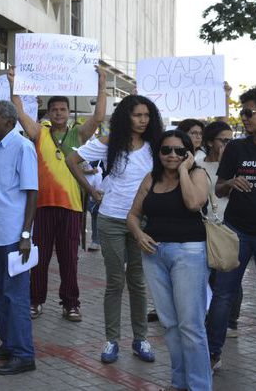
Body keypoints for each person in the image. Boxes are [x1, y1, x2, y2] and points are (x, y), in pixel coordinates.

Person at [67, 94, 163, 364]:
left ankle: (140, 339)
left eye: (146, 115)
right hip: (110, 219)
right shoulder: (110, 143)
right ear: (126, 117)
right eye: (137, 115)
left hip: (142, 222)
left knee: (137, 282)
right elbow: (71, 160)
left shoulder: (156, 145)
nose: (143, 120)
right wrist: (92, 192)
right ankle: (111, 341)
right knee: (115, 282)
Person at [9, 66, 107, 322]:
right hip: (42, 206)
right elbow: (19, 113)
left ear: (69, 112)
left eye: (63, 109)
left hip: (72, 207)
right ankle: (35, 301)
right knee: (39, 260)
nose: (59, 113)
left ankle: (71, 304)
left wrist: (102, 83)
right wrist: (14, 84)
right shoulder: (39, 133)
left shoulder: (79, 133)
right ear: (49, 113)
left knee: (69, 260)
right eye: (55, 110)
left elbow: (98, 117)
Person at [127, 130, 211, 391]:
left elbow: (193, 203)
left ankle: (199, 386)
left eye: (178, 150)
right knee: (170, 325)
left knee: (190, 326)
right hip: (154, 255)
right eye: (166, 150)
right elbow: (132, 215)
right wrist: (139, 234)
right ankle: (180, 383)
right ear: (158, 153)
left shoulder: (198, 174)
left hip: (189, 254)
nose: (171, 155)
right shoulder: (151, 177)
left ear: (188, 152)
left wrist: (185, 170)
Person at [207, 85, 256, 372]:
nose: (243, 117)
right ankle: (211, 354)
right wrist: (230, 183)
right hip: (237, 231)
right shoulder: (236, 148)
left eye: (248, 112)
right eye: (241, 112)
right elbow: (218, 188)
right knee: (222, 294)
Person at [0, 100, 38, 376]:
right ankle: (8, 344)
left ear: (9, 121)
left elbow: (32, 193)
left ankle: (24, 355)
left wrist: (26, 234)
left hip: (16, 238)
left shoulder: (23, 147)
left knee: (16, 297)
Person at [200, 121, 241, 338]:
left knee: (229, 272)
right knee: (207, 275)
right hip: (205, 225)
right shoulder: (198, 164)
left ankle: (231, 321)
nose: (228, 144)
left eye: (230, 139)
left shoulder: (235, 164)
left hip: (229, 224)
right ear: (209, 142)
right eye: (223, 140)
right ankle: (209, 316)